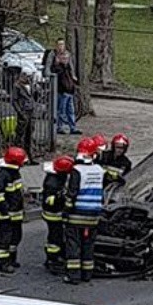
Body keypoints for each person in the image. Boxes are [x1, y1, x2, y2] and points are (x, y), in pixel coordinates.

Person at [63, 138, 105, 284]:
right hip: (93, 215)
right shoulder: (100, 170)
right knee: (88, 245)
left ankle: (73, 276)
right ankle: (87, 274)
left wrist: (66, 211)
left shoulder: (77, 171)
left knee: (73, 244)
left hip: (77, 214)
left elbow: (72, 194)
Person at [0, 146, 27, 274]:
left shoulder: (14, 172)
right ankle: (3, 263)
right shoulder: (3, 175)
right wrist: (5, 212)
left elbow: (17, 193)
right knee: (4, 239)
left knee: (16, 237)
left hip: (16, 213)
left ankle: (12, 259)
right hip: (5, 215)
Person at [42, 154, 75, 274]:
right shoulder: (52, 183)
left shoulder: (56, 177)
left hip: (55, 213)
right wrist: (61, 197)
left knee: (57, 236)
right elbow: (50, 201)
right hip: (53, 214)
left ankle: (55, 257)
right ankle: (52, 260)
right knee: (54, 238)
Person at [51, 39, 80, 135]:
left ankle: (73, 127)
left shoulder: (68, 67)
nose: (66, 60)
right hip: (62, 91)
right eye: (59, 44)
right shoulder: (58, 67)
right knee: (61, 110)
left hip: (69, 91)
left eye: (62, 44)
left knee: (70, 110)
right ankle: (60, 127)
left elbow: (71, 74)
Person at [12, 69, 38, 164]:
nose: (27, 78)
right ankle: (18, 157)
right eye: (25, 76)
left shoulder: (30, 85)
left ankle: (30, 156)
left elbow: (34, 96)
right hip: (23, 112)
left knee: (29, 135)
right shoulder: (17, 86)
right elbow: (14, 101)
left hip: (31, 111)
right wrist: (20, 112)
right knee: (20, 135)